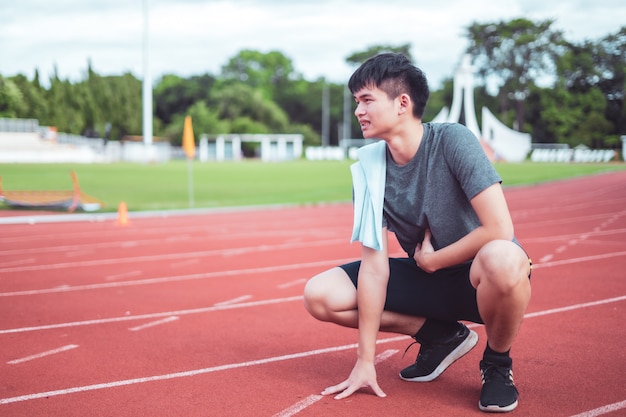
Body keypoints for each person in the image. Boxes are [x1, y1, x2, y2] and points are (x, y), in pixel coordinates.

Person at [303, 53, 532, 413]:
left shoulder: (453, 140)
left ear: (402, 103)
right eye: (356, 103)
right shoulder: (367, 169)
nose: (358, 111)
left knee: (503, 257)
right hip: (429, 278)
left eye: (366, 100)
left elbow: (500, 228)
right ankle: (440, 335)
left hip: (479, 275)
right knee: (320, 295)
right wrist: (366, 359)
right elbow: (375, 268)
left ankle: (497, 365)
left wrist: (433, 259)